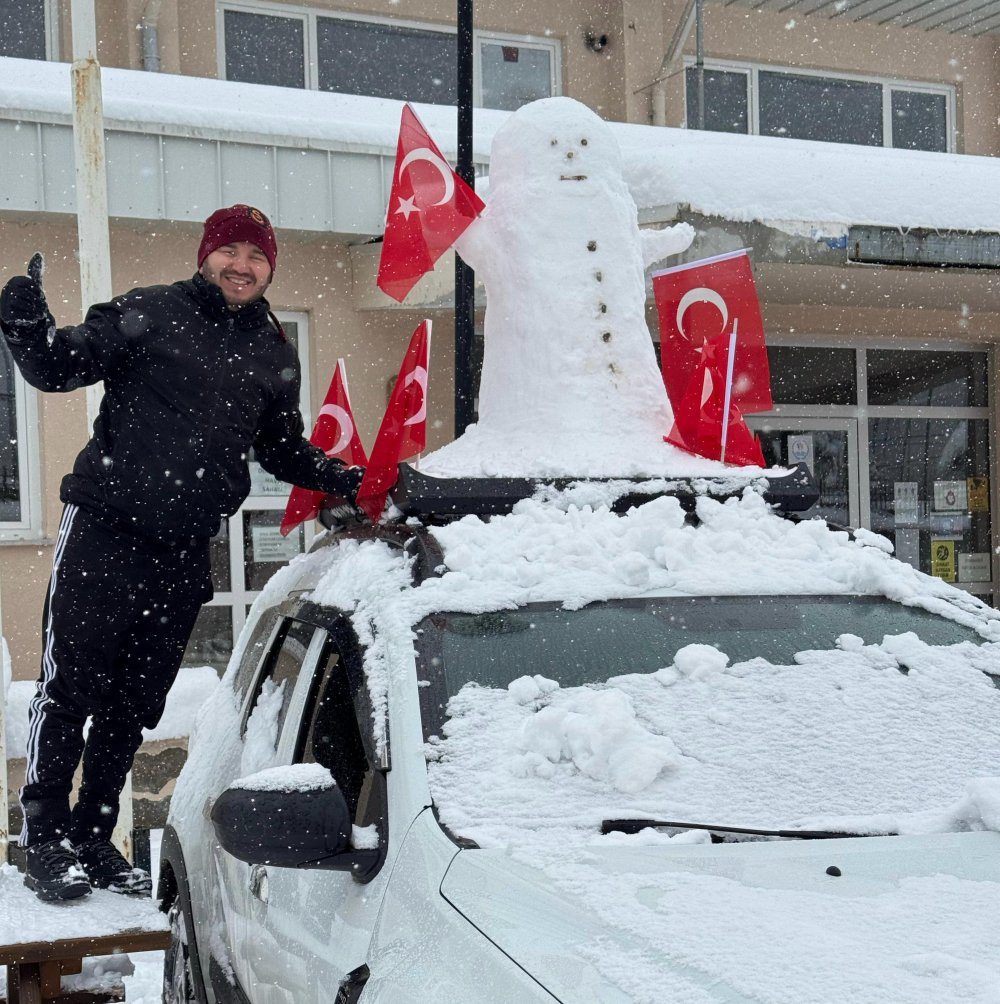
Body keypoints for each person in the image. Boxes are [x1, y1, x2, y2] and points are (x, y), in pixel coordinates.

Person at [0, 205, 365, 902]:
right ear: (205, 255)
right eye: (229, 250)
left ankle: (91, 835)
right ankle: (43, 837)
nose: (241, 265)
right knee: (70, 686)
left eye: (255, 256)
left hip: (181, 546)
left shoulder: (272, 350)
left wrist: (342, 476)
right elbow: (57, 366)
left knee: (133, 700)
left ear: (269, 268)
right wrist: (24, 327)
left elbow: (280, 449)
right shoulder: (149, 313)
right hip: (106, 525)